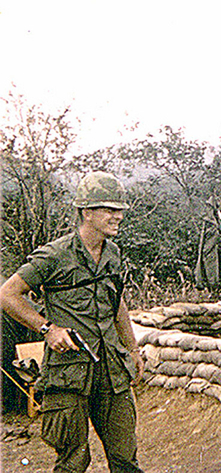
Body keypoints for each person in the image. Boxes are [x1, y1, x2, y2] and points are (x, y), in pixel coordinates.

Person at [0, 171, 145, 473]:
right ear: (87, 212)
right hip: (68, 375)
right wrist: (47, 329)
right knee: (73, 463)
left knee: (125, 460)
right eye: (110, 209)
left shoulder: (113, 254)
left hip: (111, 372)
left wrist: (132, 349)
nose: (118, 216)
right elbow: (8, 294)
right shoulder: (54, 256)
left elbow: (116, 303)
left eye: (120, 210)